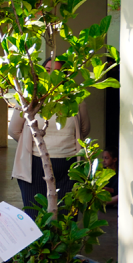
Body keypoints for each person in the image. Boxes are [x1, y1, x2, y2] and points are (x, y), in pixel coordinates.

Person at [8, 64, 90, 217]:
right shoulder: (28, 98)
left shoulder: (76, 100)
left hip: (69, 167)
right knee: (35, 217)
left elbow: (84, 130)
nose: (52, 73)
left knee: (66, 219)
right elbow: (14, 130)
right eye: (47, 69)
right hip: (35, 165)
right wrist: (34, 145)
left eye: (58, 70)